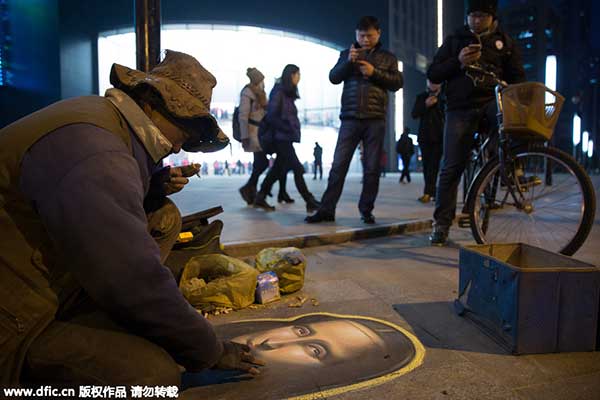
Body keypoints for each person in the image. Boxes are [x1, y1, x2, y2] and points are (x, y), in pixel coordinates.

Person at [0, 50, 263, 388]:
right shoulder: (98, 152)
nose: (183, 141)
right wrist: (210, 350)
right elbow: (132, 276)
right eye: (184, 124)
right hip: (14, 313)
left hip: (43, 277)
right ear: (152, 102)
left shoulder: (103, 120)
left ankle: (103, 315)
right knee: (150, 377)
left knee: (163, 217)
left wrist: (152, 185)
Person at [427, 0, 525, 245]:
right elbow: (434, 72)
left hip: (492, 103)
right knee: (451, 166)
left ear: (492, 18)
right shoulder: (455, 39)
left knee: (511, 123)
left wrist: (508, 87)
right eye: (472, 15)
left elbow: (518, 79)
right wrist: (459, 61)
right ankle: (441, 223)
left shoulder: (506, 42)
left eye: (482, 15)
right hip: (460, 107)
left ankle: (510, 168)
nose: (476, 20)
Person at [306, 16, 403, 225]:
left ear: (378, 34)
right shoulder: (347, 54)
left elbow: (397, 83)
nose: (365, 39)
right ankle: (326, 210)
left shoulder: (388, 57)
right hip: (349, 119)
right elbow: (333, 77)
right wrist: (348, 63)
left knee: (371, 169)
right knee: (338, 166)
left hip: (375, 120)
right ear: (356, 35)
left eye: (369, 35)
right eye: (361, 35)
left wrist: (374, 72)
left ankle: (366, 210)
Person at [253, 64, 320, 212]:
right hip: (281, 138)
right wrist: (287, 127)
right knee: (297, 168)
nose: (299, 77)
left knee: (277, 169)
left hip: (285, 137)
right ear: (291, 75)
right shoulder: (279, 92)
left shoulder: (287, 93)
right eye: (298, 74)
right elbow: (271, 116)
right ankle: (309, 200)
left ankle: (261, 196)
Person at [237, 68, 291, 205]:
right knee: (262, 163)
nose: (263, 83)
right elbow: (243, 116)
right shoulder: (247, 92)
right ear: (257, 80)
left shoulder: (260, 93)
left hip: (261, 132)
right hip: (252, 133)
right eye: (262, 80)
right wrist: (244, 136)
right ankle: (250, 189)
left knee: (259, 164)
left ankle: (251, 190)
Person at [411, 80, 445, 203]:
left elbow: (446, 114)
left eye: (436, 82)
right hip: (424, 137)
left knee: (434, 165)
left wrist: (438, 102)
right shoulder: (421, 97)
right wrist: (425, 105)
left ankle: (430, 192)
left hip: (439, 137)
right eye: (431, 82)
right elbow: (414, 114)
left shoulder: (444, 97)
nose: (433, 84)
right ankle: (429, 192)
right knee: (426, 165)